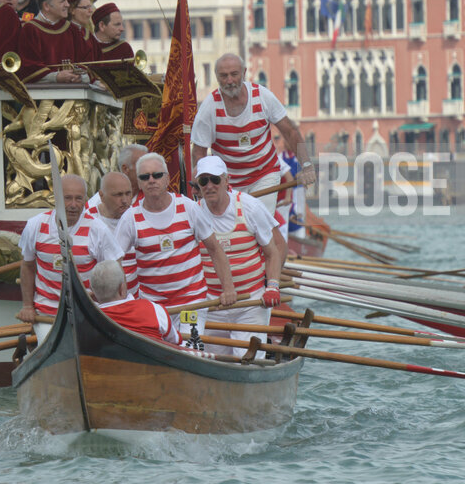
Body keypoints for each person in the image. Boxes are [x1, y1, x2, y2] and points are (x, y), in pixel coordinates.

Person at [113, 153, 236, 336]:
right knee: (161, 351)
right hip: (154, 307)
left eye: (157, 175)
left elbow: (215, 250)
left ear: (167, 178)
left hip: (192, 302)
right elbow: (114, 262)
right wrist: (121, 300)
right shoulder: (130, 218)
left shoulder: (188, 207)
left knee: (188, 347)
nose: (151, 180)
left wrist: (228, 288)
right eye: (145, 177)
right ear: (138, 183)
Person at [191, 53, 315, 214]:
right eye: (224, 76)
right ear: (217, 77)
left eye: (234, 74)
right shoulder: (209, 108)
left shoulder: (262, 96)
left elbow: (290, 131)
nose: (229, 81)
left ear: (244, 73)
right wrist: (202, 183)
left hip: (265, 174)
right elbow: (198, 153)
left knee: (258, 219)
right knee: (235, 226)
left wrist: (306, 165)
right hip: (227, 181)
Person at [194, 155, 286, 357]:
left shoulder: (250, 207)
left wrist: (272, 286)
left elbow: (273, 252)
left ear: (226, 180)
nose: (209, 186)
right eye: (203, 181)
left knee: (247, 360)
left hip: (250, 304)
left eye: (215, 179)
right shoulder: (194, 212)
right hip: (211, 304)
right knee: (216, 364)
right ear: (198, 185)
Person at [17, 174, 123, 341]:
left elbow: (116, 271)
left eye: (79, 199)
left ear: (85, 200)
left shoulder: (97, 229)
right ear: (56, 199)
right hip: (46, 314)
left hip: (87, 313)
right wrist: (27, 306)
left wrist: (114, 310)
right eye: (67, 198)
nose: (73, 205)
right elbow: (28, 266)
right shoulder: (35, 225)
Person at [90, 260, 182, 346]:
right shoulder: (154, 309)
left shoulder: (89, 320)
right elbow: (176, 342)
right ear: (121, 289)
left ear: (93, 292)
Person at [17, 0, 92, 83]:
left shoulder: (72, 29)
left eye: (67, 0)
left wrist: (79, 76)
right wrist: (56, 77)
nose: (67, 5)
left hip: (75, 89)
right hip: (43, 92)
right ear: (46, 6)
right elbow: (29, 68)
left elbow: (86, 62)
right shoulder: (30, 29)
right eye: (62, 1)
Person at [90, 171, 139, 296]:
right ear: (101, 196)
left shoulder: (139, 216)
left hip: (138, 299)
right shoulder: (88, 222)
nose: (125, 200)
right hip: (102, 302)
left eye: (128, 193)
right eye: (118, 195)